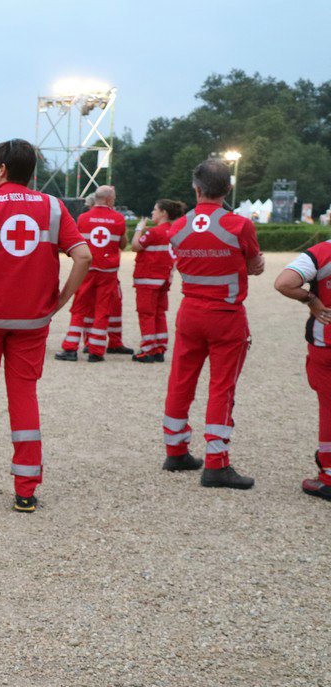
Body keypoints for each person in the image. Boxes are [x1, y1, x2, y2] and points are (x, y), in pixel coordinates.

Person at [0, 139, 91, 512]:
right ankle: (26, 489)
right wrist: (61, 300)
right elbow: (84, 256)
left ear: (3, 169)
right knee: (24, 396)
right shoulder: (55, 207)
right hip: (32, 320)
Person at [160, 158, 264, 488]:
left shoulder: (177, 227)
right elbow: (254, 264)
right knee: (221, 387)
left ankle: (175, 450)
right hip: (226, 315)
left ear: (196, 188)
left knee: (180, 380)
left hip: (190, 312)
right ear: (228, 189)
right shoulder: (240, 225)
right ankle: (216, 463)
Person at [273, 238, 331, 500]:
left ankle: (328, 476)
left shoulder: (323, 252)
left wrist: (311, 299)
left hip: (326, 343)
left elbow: (284, 283)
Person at [54, 185, 124, 361]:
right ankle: (96, 350)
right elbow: (122, 244)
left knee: (79, 307)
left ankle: (70, 348)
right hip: (108, 271)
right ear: (109, 200)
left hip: (87, 269)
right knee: (102, 309)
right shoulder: (118, 219)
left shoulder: (83, 218)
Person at [130, 199, 186, 363]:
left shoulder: (154, 232)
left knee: (146, 313)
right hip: (163, 278)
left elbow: (136, 246)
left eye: (155, 210)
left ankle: (147, 349)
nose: (152, 212)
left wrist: (139, 229)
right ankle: (160, 347)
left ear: (163, 213)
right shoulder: (172, 231)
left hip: (147, 278)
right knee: (159, 313)